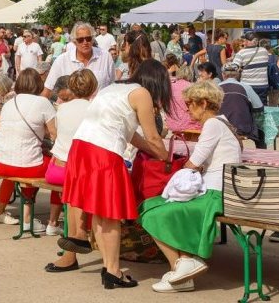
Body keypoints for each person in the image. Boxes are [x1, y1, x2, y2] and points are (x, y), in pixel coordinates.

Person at [61, 59, 170, 289]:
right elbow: (152, 136)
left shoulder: (113, 88)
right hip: (104, 153)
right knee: (109, 215)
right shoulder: (142, 94)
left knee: (100, 213)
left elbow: (131, 135)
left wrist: (154, 150)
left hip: (81, 148)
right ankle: (112, 271)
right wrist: (165, 155)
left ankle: (110, 269)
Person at [139, 80, 243, 293]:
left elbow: (193, 163)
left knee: (150, 211)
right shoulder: (224, 123)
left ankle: (182, 265)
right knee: (154, 207)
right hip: (220, 191)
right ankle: (182, 268)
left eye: (190, 104)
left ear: (203, 103)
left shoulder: (213, 124)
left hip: (214, 194)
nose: (187, 109)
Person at [0, 68, 58, 233]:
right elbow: (55, 134)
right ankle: (51, 223)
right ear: (39, 84)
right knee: (58, 168)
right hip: (27, 166)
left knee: (21, 163)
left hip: (0, 163)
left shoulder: (9, 103)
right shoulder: (43, 103)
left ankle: (2, 211)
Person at [45, 69, 98, 272]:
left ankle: (74, 245)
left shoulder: (63, 109)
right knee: (81, 188)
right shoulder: (94, 109)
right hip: (79, 170)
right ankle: (80, 234)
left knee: (72, 196)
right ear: (93, 87)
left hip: (58, 169)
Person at [43, 22, 114, 98]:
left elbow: (113, 86)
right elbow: (48, 89)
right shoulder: (61, 60)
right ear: (74, 42)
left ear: (93, 39)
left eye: (88, 38)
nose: (85, 42)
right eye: (80, 40)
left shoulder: (105, 56)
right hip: (72, 108)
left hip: (99, 108)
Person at [218, 63, 262, 147]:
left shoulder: (215, 88)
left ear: (223, 74)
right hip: (241, 128)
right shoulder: (246, 87)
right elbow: (259, 107)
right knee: (261, 131)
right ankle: (263, 155)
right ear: (238, 75)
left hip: (219, 127)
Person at [166, 63, 203, 134]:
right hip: (188, 124)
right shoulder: (192, 87)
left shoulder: (170, 86)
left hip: (171, 123)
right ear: (191, 75)